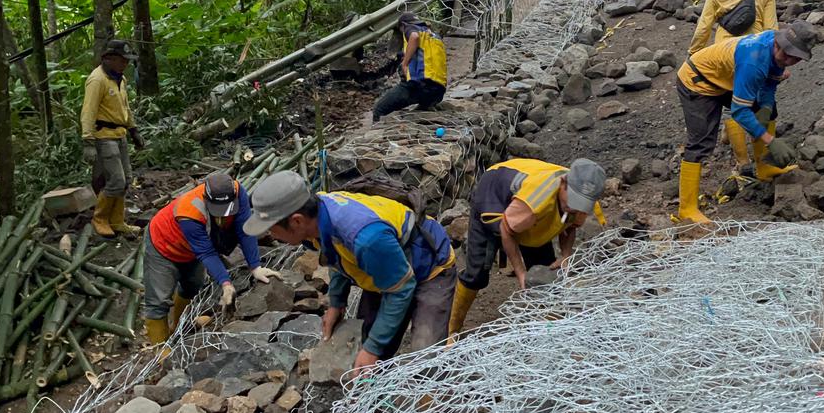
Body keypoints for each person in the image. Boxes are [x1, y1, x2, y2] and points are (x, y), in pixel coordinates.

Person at [246, 171, 457, 375]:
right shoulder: (318, 214)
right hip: (383, 266)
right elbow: (336, 255)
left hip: (429, 267)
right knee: (367, 341)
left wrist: (373, 348)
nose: (270, 234)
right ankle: (375, 399)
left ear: (297, 221)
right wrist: (336, 303)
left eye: (272, 228)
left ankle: (429, 399)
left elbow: (402, 288)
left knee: (425, 353)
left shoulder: (365, 238)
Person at [674, 22, 816, 223]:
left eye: (794, 57)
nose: (785, 57)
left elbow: (769, 84)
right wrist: (770, 141)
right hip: (698, 80)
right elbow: (740, 112)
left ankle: (764, 167)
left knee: (766, 109)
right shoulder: (754, 61)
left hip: (727, 78)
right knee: (702, 140)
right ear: (778, 41)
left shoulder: (776, 53)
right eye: (783, 51)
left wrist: (765, 108)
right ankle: (687, 208)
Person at [448, 158, 606, 336]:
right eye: (572, 202)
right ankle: (451, 330)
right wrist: (521, 272)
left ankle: (546, 326)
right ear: (562, 183)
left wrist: (566, 255)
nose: (574, 208)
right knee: (478, 272)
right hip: (494, 191)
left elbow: (569, 225)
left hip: (532, 211)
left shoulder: (582, 200)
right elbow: (506, 230)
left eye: (580, 205)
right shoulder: (534, 202)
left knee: (544, 268)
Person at [143, 173, 279, 345]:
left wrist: (256, 267)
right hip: (163, 245)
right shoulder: (190, 211)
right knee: (158, 301)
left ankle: (179, 326)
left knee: (192, 286)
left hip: (191, 249)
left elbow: (245, 228)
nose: (222, 216)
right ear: (207, 199)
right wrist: (226, 284)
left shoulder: (238, 192)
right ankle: (159, 349)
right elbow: (206, 253)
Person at [688, 0, 779, 172]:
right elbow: (772, 29)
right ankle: (764, 164)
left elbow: (704, 27)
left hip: (725, 55)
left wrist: (693, 54)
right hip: (758, 55)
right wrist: (776, 62)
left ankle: (742, 162)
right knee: (760, 104)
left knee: (732, 105)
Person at [81, 39, 144, 238]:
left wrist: (133, 130)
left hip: (120, 134)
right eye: (122, 60)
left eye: (126, 61)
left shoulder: (120, 79)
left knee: (125, 179)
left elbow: (124, 108)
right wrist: (88, 141)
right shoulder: (97, 80)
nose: (125, 64)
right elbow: (88, 111)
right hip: (104, 136)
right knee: (115, 180)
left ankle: (117, 221)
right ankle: (99, 218)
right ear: (109, 59)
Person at [372, 12, 447, 123]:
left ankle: (375, 136)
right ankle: (426, 107)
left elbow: (414, 37)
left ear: (402, 25)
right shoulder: (434, 37)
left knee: (379, 109)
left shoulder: (410, 27)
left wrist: (405, 63)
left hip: (419, 85)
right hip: (438, 91)